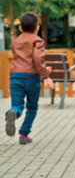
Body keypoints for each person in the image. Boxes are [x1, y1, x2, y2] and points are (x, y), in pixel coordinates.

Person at [5, 12, 56, 144]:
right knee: (32, 107)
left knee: (17, 105)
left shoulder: (15, 42)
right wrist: (45, 76)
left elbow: (23, 59)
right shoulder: (37, 40)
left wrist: (43, 70)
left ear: (20, 28)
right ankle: (23, 135)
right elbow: (37, 58)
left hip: (15, 77)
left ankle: (13, 113)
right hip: (32, 78)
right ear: (37, 28)